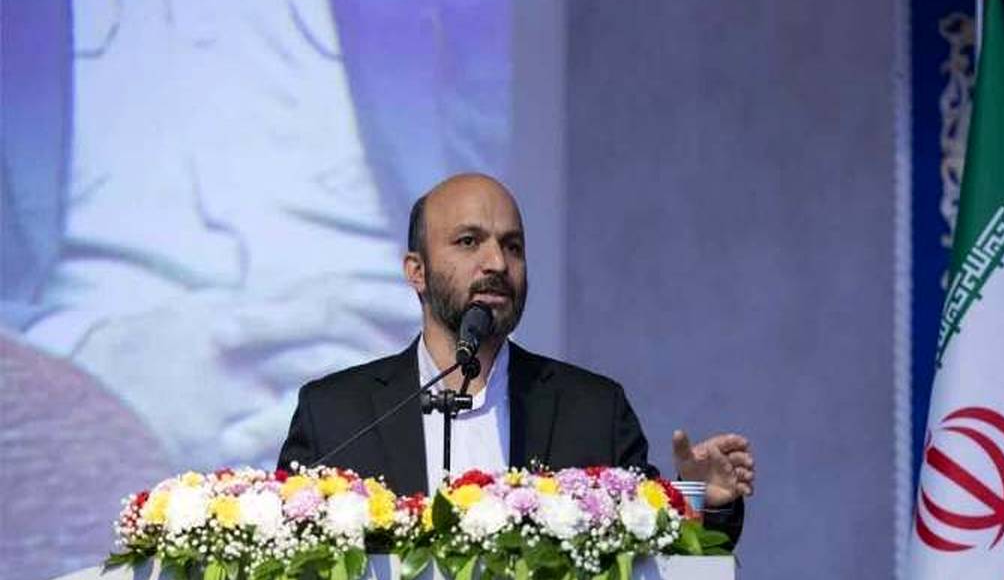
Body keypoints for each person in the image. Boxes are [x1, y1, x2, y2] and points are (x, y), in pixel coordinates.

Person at [279, 173, 755, 541]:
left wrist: (701, 499)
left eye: (513, 246)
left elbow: (658, 567)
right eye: (469, 241)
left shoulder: (593, 411)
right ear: (416, 271)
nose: (497, 263)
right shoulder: (334, 415)